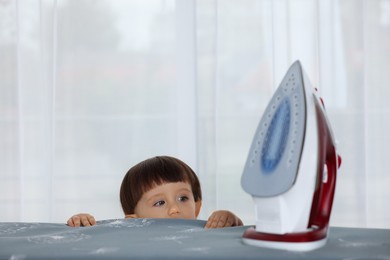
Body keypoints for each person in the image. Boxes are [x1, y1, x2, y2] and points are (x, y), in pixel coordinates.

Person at [67, 155, 243, 229]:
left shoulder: (208, 230)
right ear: (132, 221)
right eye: (160, 202)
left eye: (183, 198)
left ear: (197, 208)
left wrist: (230, 220)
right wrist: (81, 223)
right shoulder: (130, 239)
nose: (175, 208)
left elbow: (237, 242)